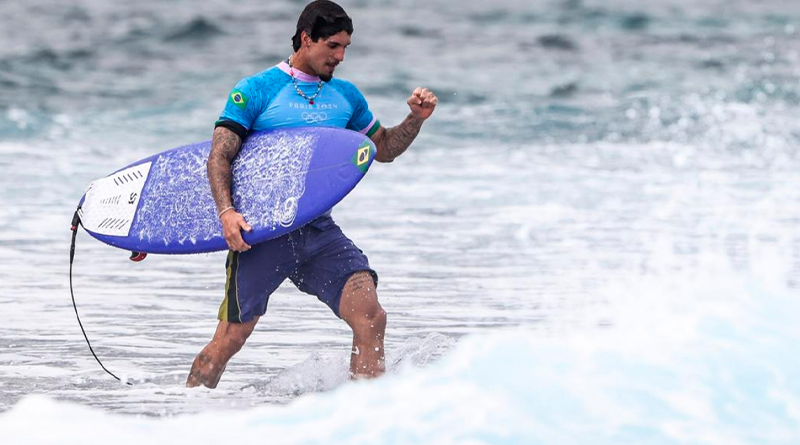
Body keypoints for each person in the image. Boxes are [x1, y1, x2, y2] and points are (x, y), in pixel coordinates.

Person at [186, 0, 438, 388]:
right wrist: (226, 212)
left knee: (371, 315)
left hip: (317, 230)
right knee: (230, 339)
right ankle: (183, 412)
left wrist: (415, 120)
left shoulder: (346, 97)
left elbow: (383, 148)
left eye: (345, 48)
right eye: (333, 46)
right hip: (262, 233)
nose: (340, 56)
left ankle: (367, 414)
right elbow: (220, 154)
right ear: (306, 38)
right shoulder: (256, 90)